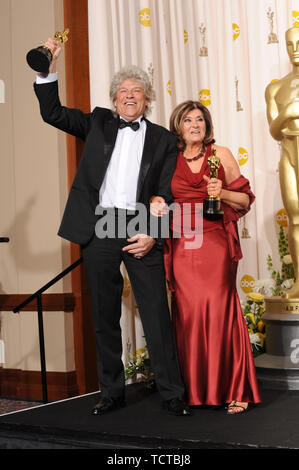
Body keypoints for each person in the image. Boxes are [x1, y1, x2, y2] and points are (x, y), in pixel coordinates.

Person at [33, 37, 190, 416]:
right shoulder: (98, 122)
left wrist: (153, 233)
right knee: (104, 315)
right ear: (115, 98)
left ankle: (172, 394)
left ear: (147, 99)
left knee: (155, 312)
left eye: (137, 91)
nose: (129, 95)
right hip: (100, 222)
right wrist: (45, 69)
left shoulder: (165, 140)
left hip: (140, 222)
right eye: (123, 91)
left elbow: (167, 193)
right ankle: (112, 392)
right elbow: (52, 113)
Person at [151, 100, 261, 413]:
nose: (195, 125)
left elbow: (244, 200)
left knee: (219, 308)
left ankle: (235, 388)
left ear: (207, 124)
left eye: (200, 119)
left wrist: (221, 192)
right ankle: (195, 390)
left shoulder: (220, 154)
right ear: (178, 126)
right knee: (187, 313)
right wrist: (156, 202)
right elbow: (157, 196)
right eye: (188, 120)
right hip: (182, 243)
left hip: (214, 242)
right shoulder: (167, 159)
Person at [265, 26, 299, 299]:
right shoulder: (276, 88)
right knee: (295, 218)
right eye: (290, 45)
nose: (295, 49)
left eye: (298, 43)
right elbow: (274, 131)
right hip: (288, 152)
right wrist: (287, 113)